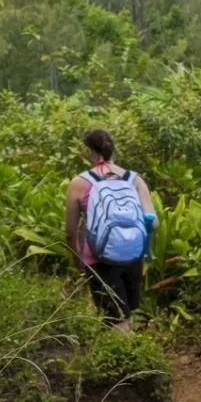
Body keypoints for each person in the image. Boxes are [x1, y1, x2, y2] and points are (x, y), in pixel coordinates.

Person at [65, 128, 157, 331]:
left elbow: (70, 231)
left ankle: (126, 359)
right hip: (133, 254)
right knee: (125, 314)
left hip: (99, 258)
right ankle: (125, 355)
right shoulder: (134, 179)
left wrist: (76, 260)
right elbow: (153, 221)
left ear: (89, 151)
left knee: (116, 319)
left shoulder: (79, 183)